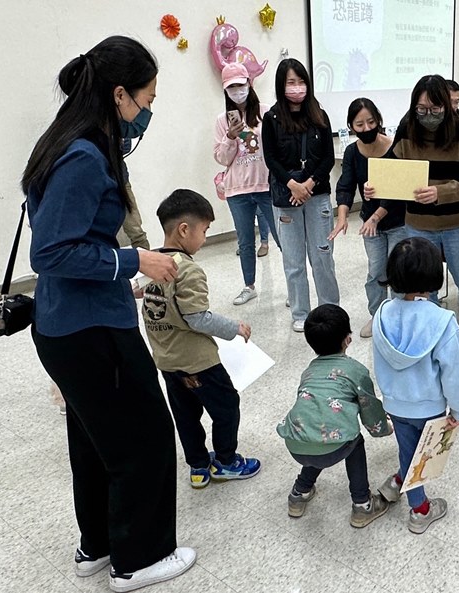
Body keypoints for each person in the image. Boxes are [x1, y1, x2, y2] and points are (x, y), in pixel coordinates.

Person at [23, 36, 195, 592]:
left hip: (74, 322)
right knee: (143, 435)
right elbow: (50, 252)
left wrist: (124, 277)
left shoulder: (72, 142)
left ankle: (97, 546)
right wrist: (134, 259)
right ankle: (139, 559)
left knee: (97, 438)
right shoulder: (82, 155)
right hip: (88, 330)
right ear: (119, 95)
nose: (147, 111)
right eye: (145, 99)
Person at [142, 189, 261, 488]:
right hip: (198, 362)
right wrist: (234, 327)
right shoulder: (188, 269)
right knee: (226, 406)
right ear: (184, 229)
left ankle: (197, 466)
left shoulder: (152, 263)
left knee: (185, 414)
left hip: (168, 361)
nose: (206, 238)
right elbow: (198, 318)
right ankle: (226, 460)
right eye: (205, 230)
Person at [365, 74, 459, 361]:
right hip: (418, 224)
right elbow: (394, 169)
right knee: (422, 289)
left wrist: (441, 192)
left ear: (446, 106)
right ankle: (429, 335)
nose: (428, 116)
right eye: (421, 109)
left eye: (435, 110)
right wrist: (376, 186)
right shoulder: (408, 128)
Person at [372, 237, 459, 534]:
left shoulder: (382, 313)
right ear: (434, 276)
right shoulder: (442, 321)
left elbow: (378, 359)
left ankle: (397, 483)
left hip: (394, 403)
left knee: (408, 449)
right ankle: (420, 510)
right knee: (421, 457)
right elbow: (455, 372)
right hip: (429, 407)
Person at [276, 304, 392, 527]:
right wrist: (385, 428)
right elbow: (371, 413)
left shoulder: (308, 370)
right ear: (348, 339)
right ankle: (362, 505)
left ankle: (299, 494)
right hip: (332, 447)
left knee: (317, 432)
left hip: (294, 444)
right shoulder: (356, 371)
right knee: (353, 441)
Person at [262, 58, 339, 332]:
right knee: (293, 260)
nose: (297, 88)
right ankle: (300, 311)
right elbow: (270, 158)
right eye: (291, 83)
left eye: (301, 81)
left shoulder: (319, 115)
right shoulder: (271, 119)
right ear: (281, 86)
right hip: (287, 197)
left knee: (322, 255)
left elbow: (328, 157)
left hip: (316, 195)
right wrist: (293, 185)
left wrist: (309, 183)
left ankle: (330, 307)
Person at [329, 98, 407, 338]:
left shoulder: (394, 148)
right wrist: (342, 217)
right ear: (351, 126)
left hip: (397, 221)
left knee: (398, 271)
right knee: (376, 271)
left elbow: (396, 192)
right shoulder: (352, 152)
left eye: (371, 122)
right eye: (359, 124)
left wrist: (375, 217)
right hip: (370, 223)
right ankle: (377, 316)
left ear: (379, 121)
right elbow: (345, 186)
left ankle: (399, 318)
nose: (366, 128)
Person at [214, 62, 281, 306]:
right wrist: (230, 136)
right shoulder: (222, 120)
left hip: (266, 186)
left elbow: (276, 147)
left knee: (282, 237)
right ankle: (249, 285)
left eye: (240, 85)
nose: (236, 91)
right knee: (245, 241)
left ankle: (294, 285)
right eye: (231, 88)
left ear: (249, 84)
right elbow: (221, 158)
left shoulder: (266, 112)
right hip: (237, 190)